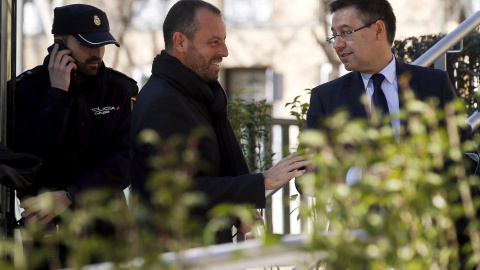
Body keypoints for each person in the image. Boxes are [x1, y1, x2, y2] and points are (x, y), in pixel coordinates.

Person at [131, 0, 309, 244]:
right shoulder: (164, 101)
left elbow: (208, 174)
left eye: (224, 40)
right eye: (214, 42)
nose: (225, 51)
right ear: (180, 42)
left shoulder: (200, 93)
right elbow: (182, 193)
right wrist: (262, 181)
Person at [11, 4, 138, 226]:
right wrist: (57, 95)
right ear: (59, 42)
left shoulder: (121, 90)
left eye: (101, 45)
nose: (96, 53)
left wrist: (71, 195)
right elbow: (28, 162)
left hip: (108, 228)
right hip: (49, 230)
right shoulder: (24, 90)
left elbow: (125, 161)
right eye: (85, 44)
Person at [306, 0, 456, 184]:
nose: (337, 44)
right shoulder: (326, 97)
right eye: (334, 35)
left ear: (378, 30)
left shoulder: (433, 84)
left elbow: (460, 156)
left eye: (346, 33)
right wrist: (358, 176)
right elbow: (307, 176)